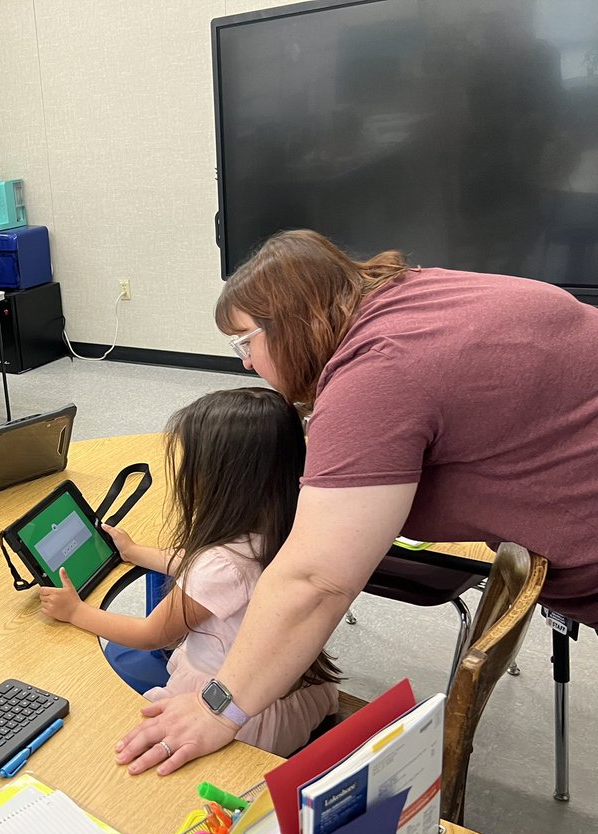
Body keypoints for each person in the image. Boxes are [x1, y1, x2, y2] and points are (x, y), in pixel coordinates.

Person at [114, 228, 598, 780]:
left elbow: (317, 580)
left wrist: (215, 706)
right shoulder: (414, 295)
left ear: (292, 323)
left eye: (245, 341)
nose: (245, 362)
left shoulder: (378, 370)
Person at [37, 388, 340, 756]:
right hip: (290, 696)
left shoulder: (220, 565)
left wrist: (76, 612)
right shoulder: (286, 529)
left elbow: (151, 634)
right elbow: (208, 569)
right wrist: (133, 551)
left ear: (220, 481)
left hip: (232, 713)